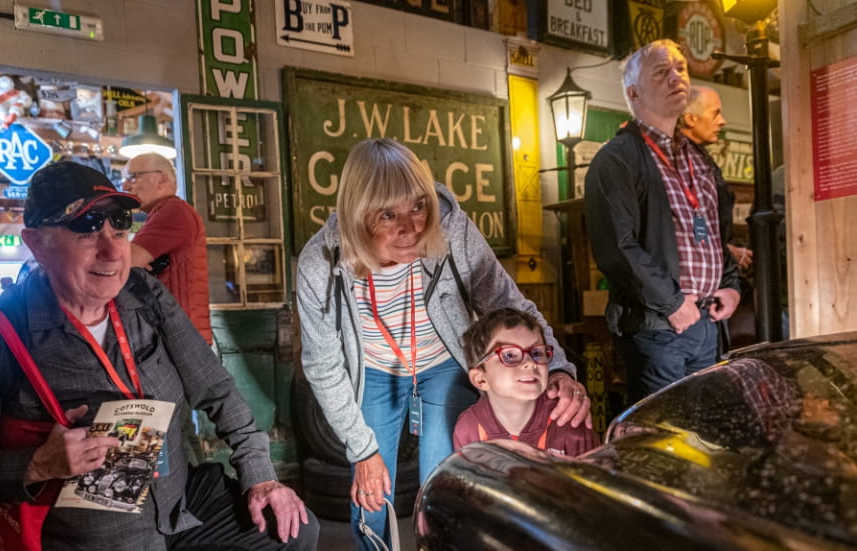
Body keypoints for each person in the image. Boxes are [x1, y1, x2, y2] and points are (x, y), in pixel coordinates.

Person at [0, 162, 317, 550]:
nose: (112, 251)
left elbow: (216, 389)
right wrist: (38, 464)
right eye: (86, 228)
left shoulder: (143, 293)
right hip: (90, 536)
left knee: (292, 529)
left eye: (120, 223)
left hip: (178, 504)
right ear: (36, 243)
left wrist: (261, 477)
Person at [296, 138, 591, 550]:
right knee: (371, 490)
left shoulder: (451, 227)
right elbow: (324, 365)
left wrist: (558, 367)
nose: (412, 228)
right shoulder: (319, 264)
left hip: (441, 365)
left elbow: (507, 302)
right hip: (375, 374)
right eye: (387, 215)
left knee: (445, 478)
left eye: (418, 206)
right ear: (357, 214)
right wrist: (362, 452)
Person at [584, 39, 741, 405]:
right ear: (634, 92)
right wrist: (672, 304)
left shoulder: (699, 159)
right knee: (662, 441)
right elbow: (618, 250)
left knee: (705, 433)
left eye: (681, 69)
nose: (676, 77)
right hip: (658, 329)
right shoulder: (616, 160)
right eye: (662, 72)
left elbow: (720, 235)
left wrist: (731, 286)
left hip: (708, 322)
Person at [453, 308, 598, 456]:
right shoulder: (468, 429)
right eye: (509, 355)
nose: (530, 363)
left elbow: (594, 477)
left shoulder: (569, 420)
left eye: (537, 353)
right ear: (480, 379)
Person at [122, 153, 212, 343]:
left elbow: (123, 262)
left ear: (161, 179)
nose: (125, 186)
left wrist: (135, 265)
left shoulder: (173, 211)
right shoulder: (166, 212)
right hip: (182, 332)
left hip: (181, 336)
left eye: (133, 177)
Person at [679, 85, 753, 271]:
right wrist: (725, 251)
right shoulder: (684, 161)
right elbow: (697, 215)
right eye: (715, 114)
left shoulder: (700, 158)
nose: (722, 121)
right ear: (690, 119)